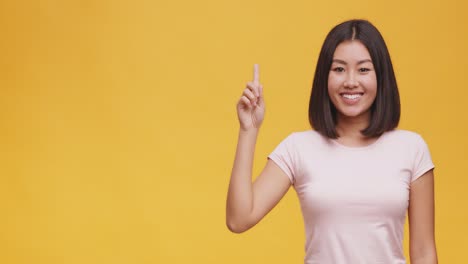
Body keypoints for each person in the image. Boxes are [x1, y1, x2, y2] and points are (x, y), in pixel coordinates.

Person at [226, 19, 437, 263]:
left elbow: (423, 252)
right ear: (324, 78)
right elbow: (238, 219)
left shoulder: (411, 149)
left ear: (381, 77)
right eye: (338, 69)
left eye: (363, 69)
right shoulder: (298, 148)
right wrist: (248, 130)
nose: (350, 81)